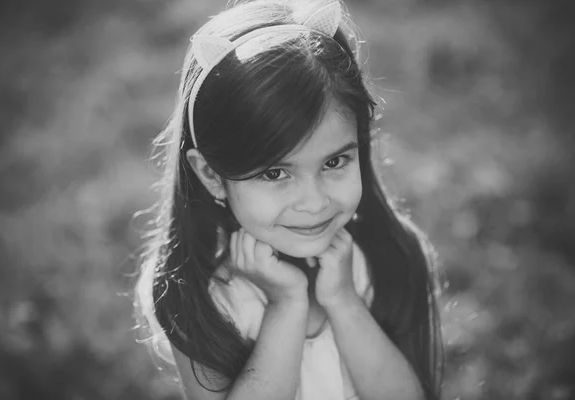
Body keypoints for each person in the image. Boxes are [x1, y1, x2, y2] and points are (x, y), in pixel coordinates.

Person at [135, 0, 443, 399]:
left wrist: (343, 300)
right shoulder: (197, 297)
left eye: (335, 161)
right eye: (275, 173)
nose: (314, 203)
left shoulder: (385, 255)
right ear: (212, 174)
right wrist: (286, 305)